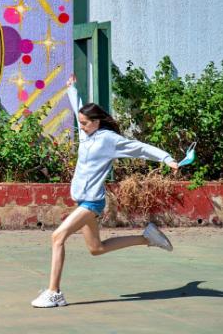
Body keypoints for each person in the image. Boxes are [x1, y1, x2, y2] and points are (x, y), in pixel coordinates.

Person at [31, 74, 179, 308]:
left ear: (97, 121)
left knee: (57, 237)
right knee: (96, 249)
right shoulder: (86, 133)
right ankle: (147, 238)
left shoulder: (109, 139)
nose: (82, 126)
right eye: (80, 123)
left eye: (85, 123)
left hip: (92, 203)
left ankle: (54, 292)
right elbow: (78, 107)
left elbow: (140, 148)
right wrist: (72, 88)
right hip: (82, 201)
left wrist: (167, 158)